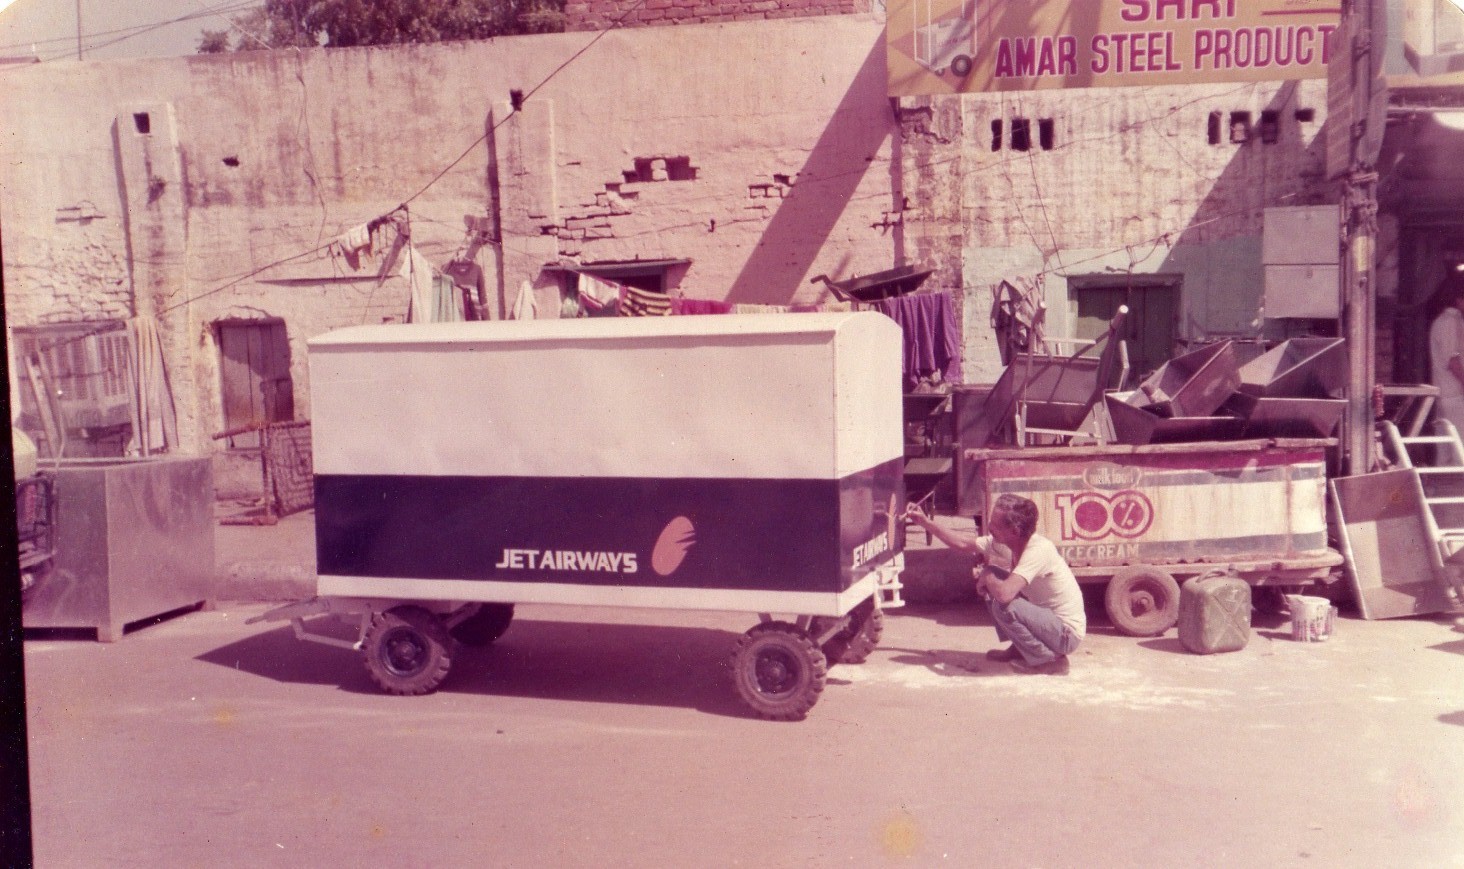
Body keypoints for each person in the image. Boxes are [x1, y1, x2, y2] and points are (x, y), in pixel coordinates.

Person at [905, 493, 1084, 675]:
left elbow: (1005, 595)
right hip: (1048, 623)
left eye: (996, 525)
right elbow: (962, 543)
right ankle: (1022, 648)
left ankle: (1050, 661)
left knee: (1004, 603)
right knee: (995, 587)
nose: (990, 527)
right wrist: (925, 522)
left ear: (1014, 531)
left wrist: (988, 574)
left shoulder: (1038, 550)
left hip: (1065, 635)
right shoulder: (1007, 543)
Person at [1429, 275, 1464, 437]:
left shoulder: (1450, 321)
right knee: (1460, 446)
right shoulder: (1450, 322)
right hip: (1454, 395)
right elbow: (1453, 361)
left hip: (1448, 394)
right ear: (1459, 300)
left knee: (1448, 448)